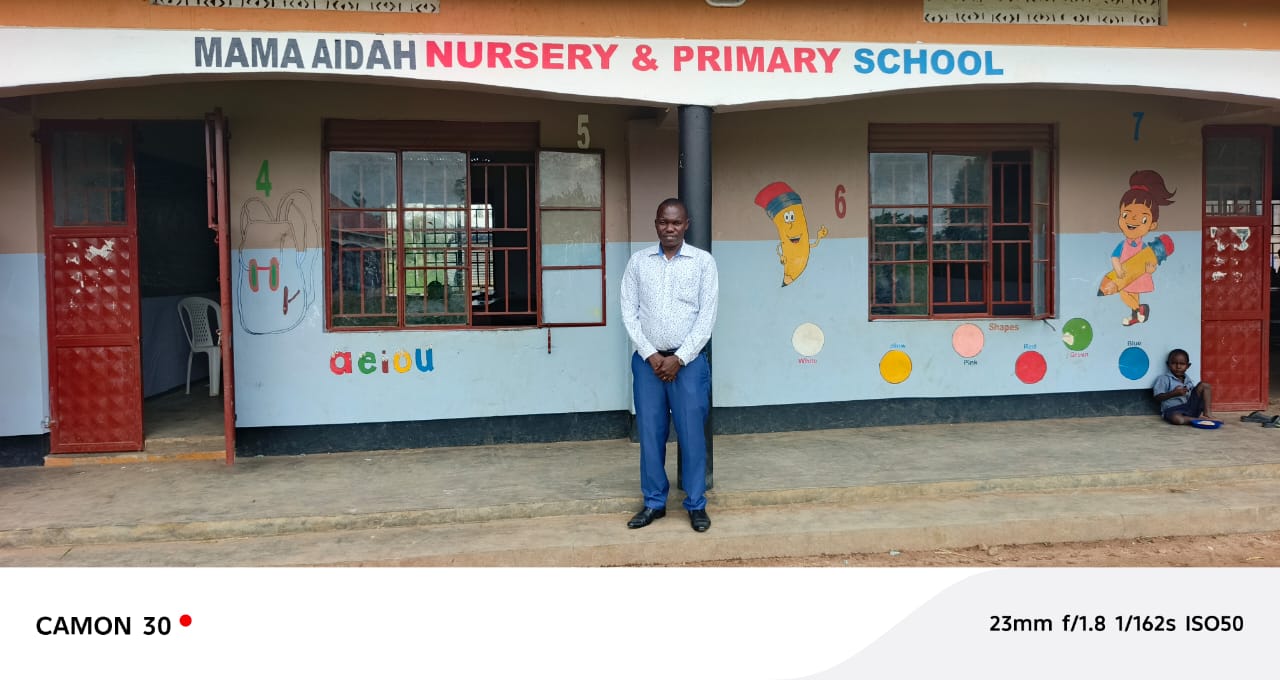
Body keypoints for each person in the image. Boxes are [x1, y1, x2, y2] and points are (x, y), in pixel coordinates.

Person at [619, 198, 719, 532]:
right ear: (656, 224)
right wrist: (651, 354)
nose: (670, 228)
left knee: (692, 436)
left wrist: (680, 358)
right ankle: (654, 502)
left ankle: (696, 504)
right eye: (664, 222)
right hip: (647, 363)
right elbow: (629, 313)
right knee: (650, 434)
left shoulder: (703, 263)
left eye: (676, 223)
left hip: (688, 364)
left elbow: (706, 318)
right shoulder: (638, 262)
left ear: (686, 225)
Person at [1108, 169, 1176, 327]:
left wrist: (1150, 269)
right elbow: (1114, 257)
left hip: (1137, 275)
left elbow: (1149, 260)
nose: (1132, 221)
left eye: (1143, 219)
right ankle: (1138, 311)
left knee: (1127, 293)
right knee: (1126, 294)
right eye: (1125, 215)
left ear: (1152, 225)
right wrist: (1118, 269)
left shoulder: (1144, 247)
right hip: (1125, 274)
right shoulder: (1123, 244)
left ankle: (1137, 311)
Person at [1152, 348, 1218, 426]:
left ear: (1188, 366)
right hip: (1172, 410)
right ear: (1168, 364)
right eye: (1174, 363)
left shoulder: (1188, 380)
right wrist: (1173, 393)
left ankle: (1207, 414)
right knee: (1177, 419)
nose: (1178, 366)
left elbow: (1193, 396)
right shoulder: (1164, 379)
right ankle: (1200, 420)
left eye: (1182, 364)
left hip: (1189, 408)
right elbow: (1157, 397)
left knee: (1205, 385)